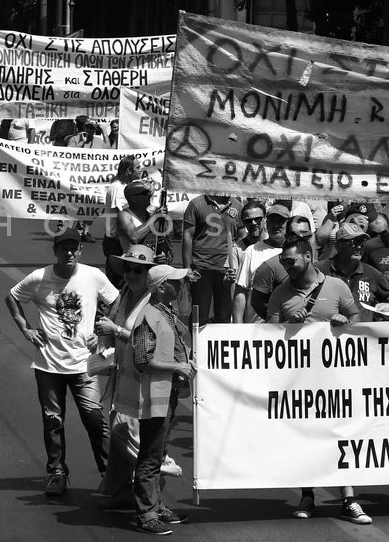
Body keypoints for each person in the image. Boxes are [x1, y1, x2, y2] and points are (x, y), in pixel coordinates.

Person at [263, 236, 369, 524]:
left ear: (307, 257)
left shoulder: (335, 286)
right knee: (305, 437)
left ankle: (349, 499)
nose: (286, 266)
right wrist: (289, 324)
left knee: (340, 435)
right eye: (283, 262)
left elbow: (358, 319)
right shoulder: (280, 293)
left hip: (334, 379)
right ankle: (308, 495)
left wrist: (344, 323)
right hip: (298, 382)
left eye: (291, 261)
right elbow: (268, 337)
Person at [5, 229, 118, 496]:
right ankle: (57, 473)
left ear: (80, 250)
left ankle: (110, 473)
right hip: (48, 365)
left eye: (74, 248)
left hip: (84, 365)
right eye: (64, 248)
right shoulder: (39, 277)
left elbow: (115, 299)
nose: (69, 253)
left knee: (94, 419)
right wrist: (26, 329)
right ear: (55, 251)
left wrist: (103, 331)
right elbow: (12, 297)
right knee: (52, 421)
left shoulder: (93, 275)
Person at [116, 264, 194, 535]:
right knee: (150, 456)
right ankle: (147, 513)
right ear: (161, 287)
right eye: (176, 282)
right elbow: (143, 360)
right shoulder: (150, 316)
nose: (181, 285)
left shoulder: (163, 312)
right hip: (154, 397)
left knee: (158, 453)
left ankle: (155, 505)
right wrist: (178, 367)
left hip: (166, 394)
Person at [92, 245, 157, 509]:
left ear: (149, 273)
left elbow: (150, 344)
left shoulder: (155, 302)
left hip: (144, 383)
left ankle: (156, 485)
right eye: (128, 269)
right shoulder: (125, 293)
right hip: (122, 376)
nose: (131, 274)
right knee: (118, 430)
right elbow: (111, 326)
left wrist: (116, 330)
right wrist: (103, 338)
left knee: (132, 438)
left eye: (138, 270)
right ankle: (120, 493)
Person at [182, 194, 242, 325]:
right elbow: (187, 235)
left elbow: (241, 234)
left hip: (227, 269)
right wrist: (186, 268)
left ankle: (221, 345)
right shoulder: (196, 203)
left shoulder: (237, 205)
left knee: (224, 316)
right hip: (201, 266)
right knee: (200, 317)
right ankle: (196, 345)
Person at [317, 223, 389, 321]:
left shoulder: (373, 274)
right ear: (338, 245)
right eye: (353, 242)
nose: (358, 247)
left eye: (362, 242)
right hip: (326, 334)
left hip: (363, 335)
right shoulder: (321, 269)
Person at [233, 203, 286, 323]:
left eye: (281, 221)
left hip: (288, 327)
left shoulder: (296, 251)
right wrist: (237, 329)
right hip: (256, 330)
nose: (276, 225)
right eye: (272, 221)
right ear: (267, 222)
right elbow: (240, 293)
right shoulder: (251, 251)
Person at [103, 156, 138, 287]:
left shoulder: (127, 187)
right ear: (129, 170)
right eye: (138, 168)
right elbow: (121, 215)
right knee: (116, 286)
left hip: (123, 242)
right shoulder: (118, 188)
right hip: (117, 244)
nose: (140, 171)